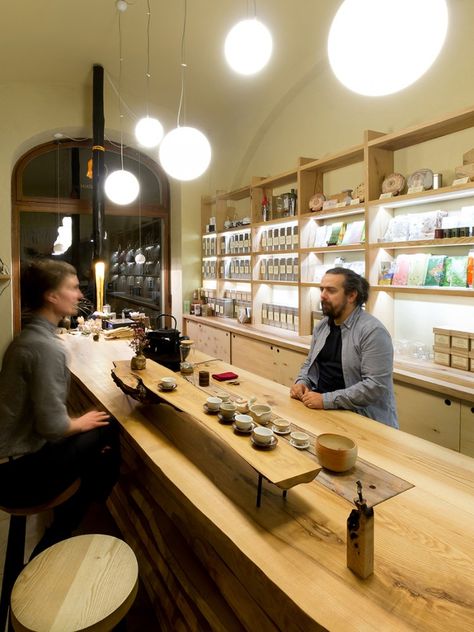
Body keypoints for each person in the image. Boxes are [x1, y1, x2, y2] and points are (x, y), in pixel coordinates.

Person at [0, 259, 120, 557]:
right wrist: (81, 423)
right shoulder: (45, 348)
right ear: (52, 296)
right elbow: (53, 428)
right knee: (108, 428)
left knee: (95, 442)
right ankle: (55, 542)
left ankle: (71, 521)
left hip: (10, 462)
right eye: (73, 287)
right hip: (18, 476)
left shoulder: (29, 338)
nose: (79, 295)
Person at [290, 267, 398, 428]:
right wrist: (302, 382)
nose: (322, 295)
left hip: (363, 421)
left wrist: (325, 400)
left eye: (331, 291)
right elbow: (310, 364)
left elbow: (374, 386)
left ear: (352, 295)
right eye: (322, 289)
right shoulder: (322, 327)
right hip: (323, 413)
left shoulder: (372, 332)